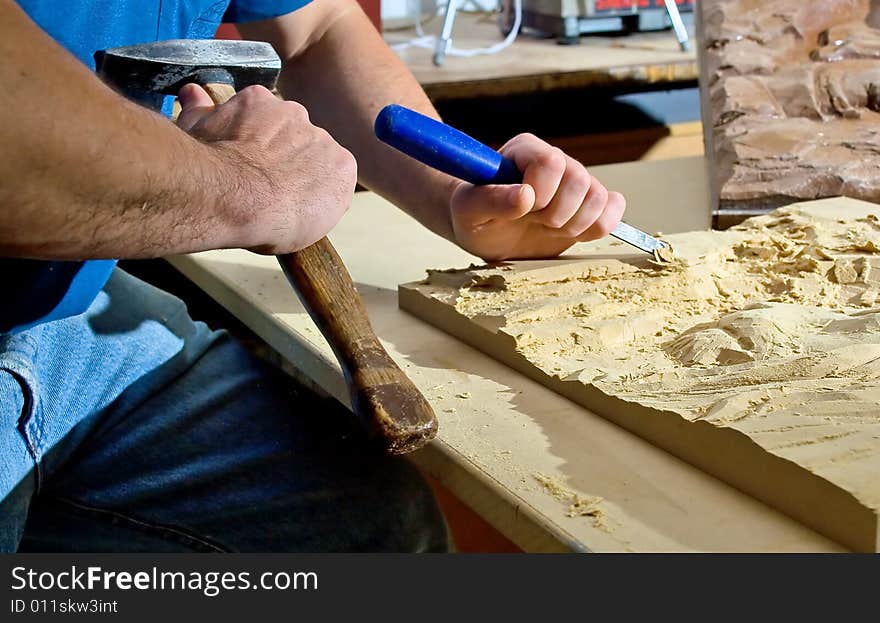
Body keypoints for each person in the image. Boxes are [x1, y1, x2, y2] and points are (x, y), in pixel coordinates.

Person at [0, 0, 626, 552]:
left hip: (66, 310)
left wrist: (460, 198)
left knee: (372, 528)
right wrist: (244, 187)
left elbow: (318, 29)